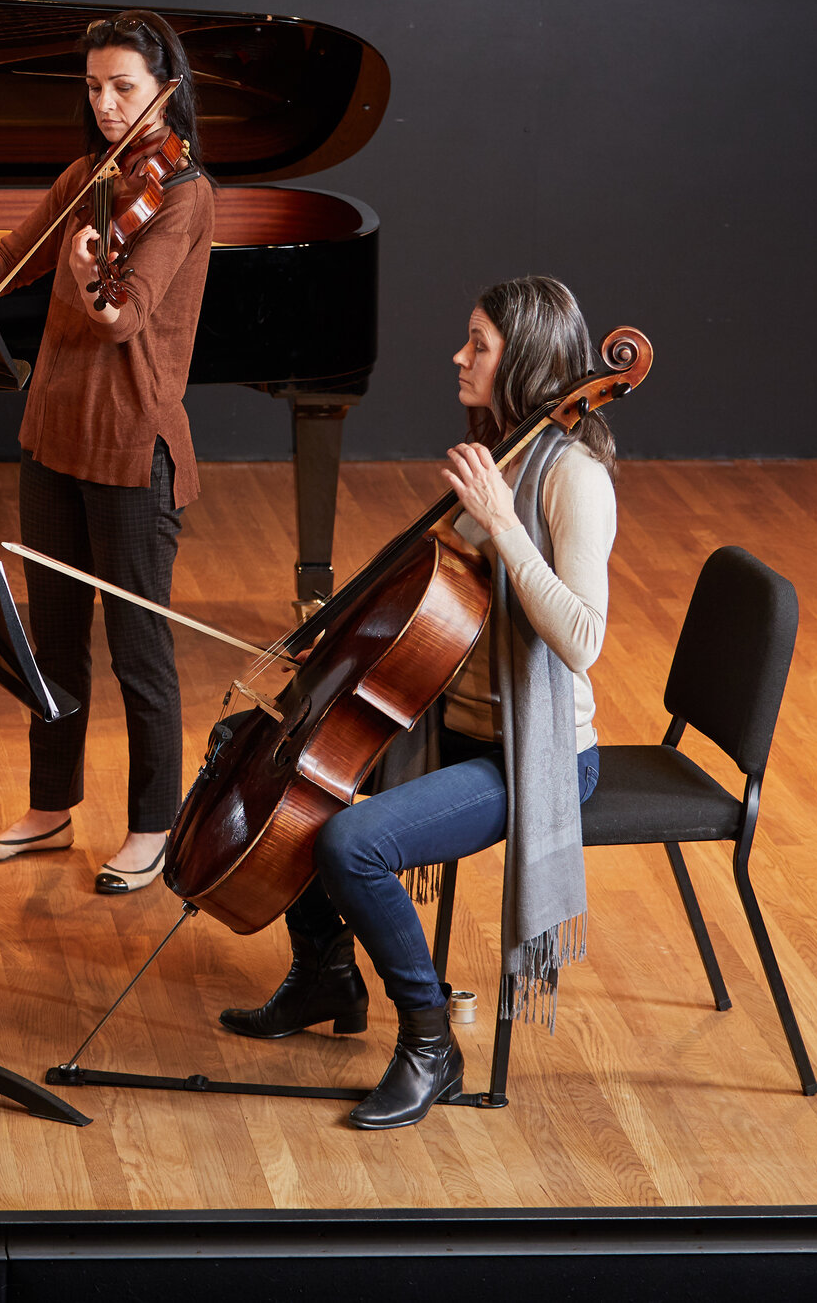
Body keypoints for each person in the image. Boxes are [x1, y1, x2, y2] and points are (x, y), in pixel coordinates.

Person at [218, 274, 616, 1130]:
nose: (458, 356)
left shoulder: (571, 480)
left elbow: (583, 639)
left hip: (531, 757)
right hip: (456, 726)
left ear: (529, 359)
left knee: (352, 840)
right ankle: (325, 972)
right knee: (271, 758)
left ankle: (431, 1044)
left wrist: (505, 526)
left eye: (477, 342)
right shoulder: (501, 451)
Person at [0, 12, 216, 894]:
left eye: (125, 89)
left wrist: (82, 269)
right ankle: (49, 806)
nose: (107, 106)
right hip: (53, 437)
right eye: (95, 88)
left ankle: (155, 823)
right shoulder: (88, 177)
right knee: (54, 640)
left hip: (130, 448)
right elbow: (11, 248)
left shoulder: (183, 195)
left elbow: (124, 314)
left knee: (137, 646)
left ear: (165, 90)